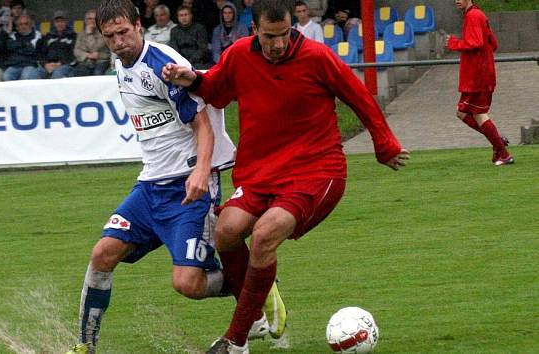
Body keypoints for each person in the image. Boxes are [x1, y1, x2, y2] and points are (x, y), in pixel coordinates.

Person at [163, 0, 410, 352]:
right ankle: (259, 318)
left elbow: (360, 97)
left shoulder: (316, 57)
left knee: (263, 235)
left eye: (284, 35)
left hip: (316, 170)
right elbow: (215, 89)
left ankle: (235, 341)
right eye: (269, 37)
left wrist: (384, 144)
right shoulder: (238, 56)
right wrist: (191, 79)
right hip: (261, 171)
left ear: (292, 26)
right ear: (255, 31)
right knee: (227, 232)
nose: (278, 44)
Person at [63, 1, 282, 353]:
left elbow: (204, 123)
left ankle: (256, 281)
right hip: (150, 188)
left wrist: (200, 172)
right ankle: (85, 346)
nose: (119, 41)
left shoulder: (161, 65)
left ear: (138, 25)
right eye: (110, 36)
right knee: (102, 254)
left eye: (124, 32)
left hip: (187, 189)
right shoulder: (122, 67)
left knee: (189, 285)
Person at [446, 0, 513, 166]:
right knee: (462, 113)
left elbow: (476, 42)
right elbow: (493, 44)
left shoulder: (473, 16)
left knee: (477, 114)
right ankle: (497, 142)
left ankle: (503, 153)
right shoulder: (478, 14)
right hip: (480, 74)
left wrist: (454, 43)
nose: (457, 0)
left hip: (477, 77)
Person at [169, 5, 211, 69]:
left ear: (191, 16)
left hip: (198, 61)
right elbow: (174, 49)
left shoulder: (199, 28)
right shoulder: (174, 31)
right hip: (180, 62)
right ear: (178, 17)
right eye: (181, 15)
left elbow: (202, 48)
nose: (184, 18)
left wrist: (190, 61)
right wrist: (182, 61)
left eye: (186, 15)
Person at [37, 10, 77, 79]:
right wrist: (45, 64)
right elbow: (41, 54)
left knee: (57, 74)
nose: (59, 24)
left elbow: (75, 55)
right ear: (54, 23)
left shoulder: (73, 36)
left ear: (66, 22)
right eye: (57, 21)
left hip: (66, 65)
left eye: (62, 21)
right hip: (48, 65)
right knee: (35, 73)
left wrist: (60, 64)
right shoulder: (48, 36)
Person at [2, 14, 43, 80]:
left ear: (31, 25)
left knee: (26, 76)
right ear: (17, 27)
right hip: (15, 64)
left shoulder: (37, 34)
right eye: (20, 24)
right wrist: (25, 45)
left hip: (30, 64)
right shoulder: (13, 35)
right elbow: (9, 46)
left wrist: (17, 47)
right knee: (6, 76)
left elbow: (32, 50)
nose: (23, 26)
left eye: (26, 24)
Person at [72, 10, 111, 77]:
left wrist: (89, 33)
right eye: (89, 19)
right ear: (85, 20)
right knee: (76, 74)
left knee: (97, 74)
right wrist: (88, 55)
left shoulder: (103, 32)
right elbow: (76, 51)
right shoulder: (81, 33)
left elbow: (94, 48)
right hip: (86, 62)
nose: (92, 21)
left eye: (94, 19)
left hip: (101, 61)